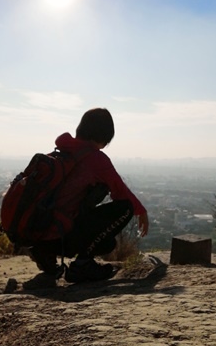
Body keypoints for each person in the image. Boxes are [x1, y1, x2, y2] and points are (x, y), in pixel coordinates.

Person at [28, 108, 148, 283]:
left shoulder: (61, 152)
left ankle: (46, 250)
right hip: (64, 232)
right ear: (104, 136)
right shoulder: (96, 158)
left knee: (108, 244)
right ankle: (82, 265)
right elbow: (120, 192)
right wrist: (141, 211)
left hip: (40, 231)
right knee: (125, 209)